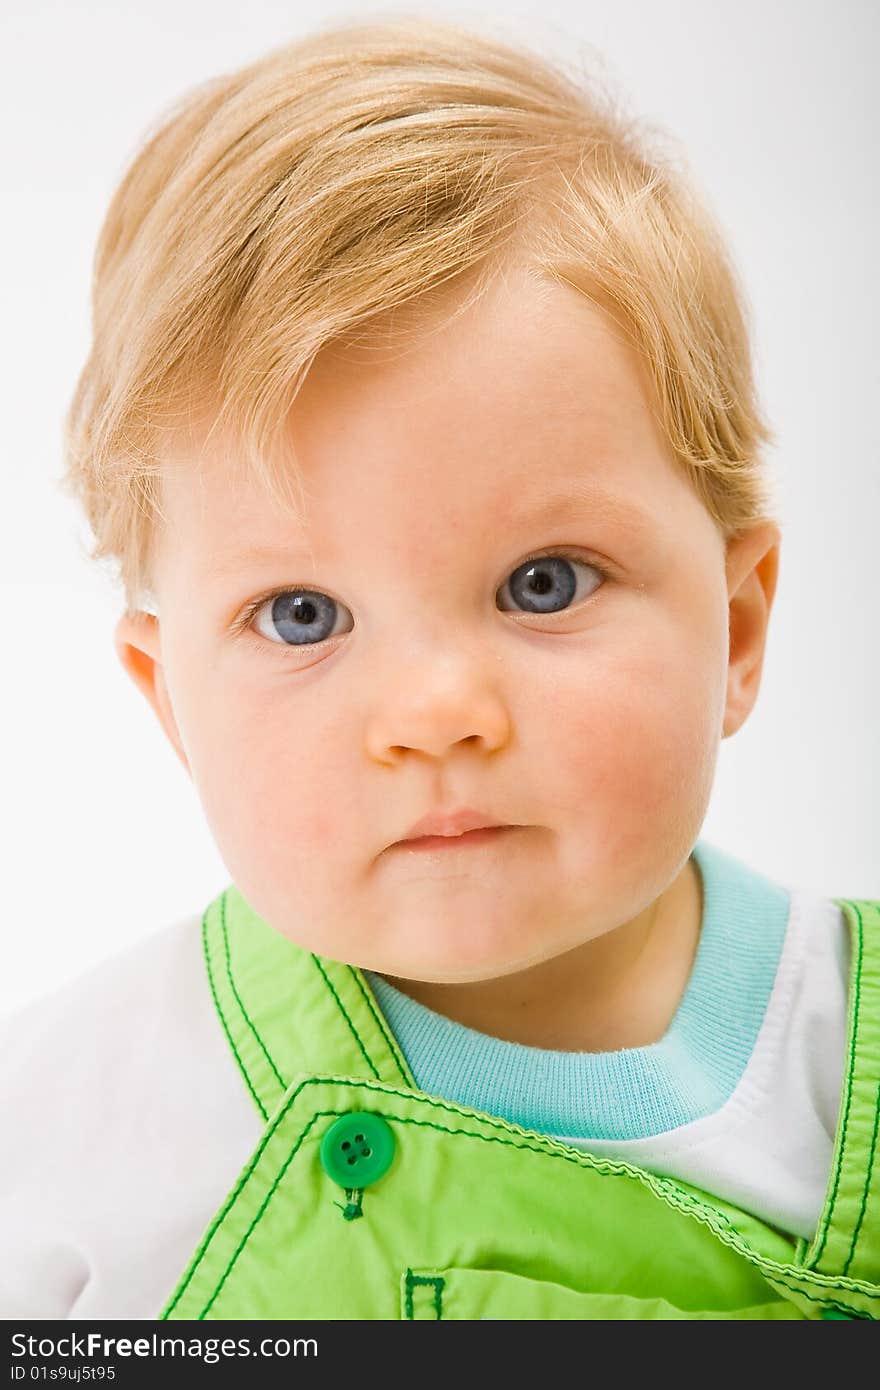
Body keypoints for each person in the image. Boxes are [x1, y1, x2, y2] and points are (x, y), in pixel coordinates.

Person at [1, 13, 877, 1322]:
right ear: (170, 699)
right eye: (301, 615)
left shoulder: (839, 1055)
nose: (435, 715)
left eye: (545, 583)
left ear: (740, 630)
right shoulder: (70, 1129)